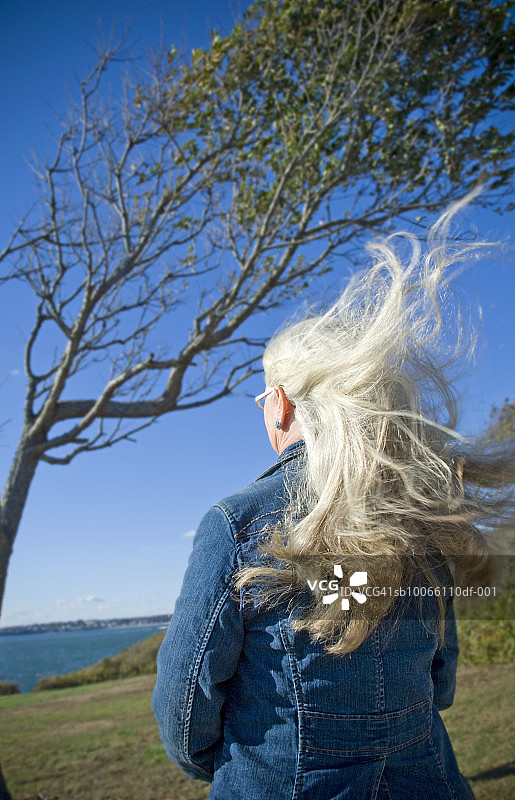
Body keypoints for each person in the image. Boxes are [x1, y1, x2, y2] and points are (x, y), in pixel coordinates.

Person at [152, 203, 514, 800]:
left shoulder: (236, 523)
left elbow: (185, 705)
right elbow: (441, 682)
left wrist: (245, 768)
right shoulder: (422, 522)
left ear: (282, 405)